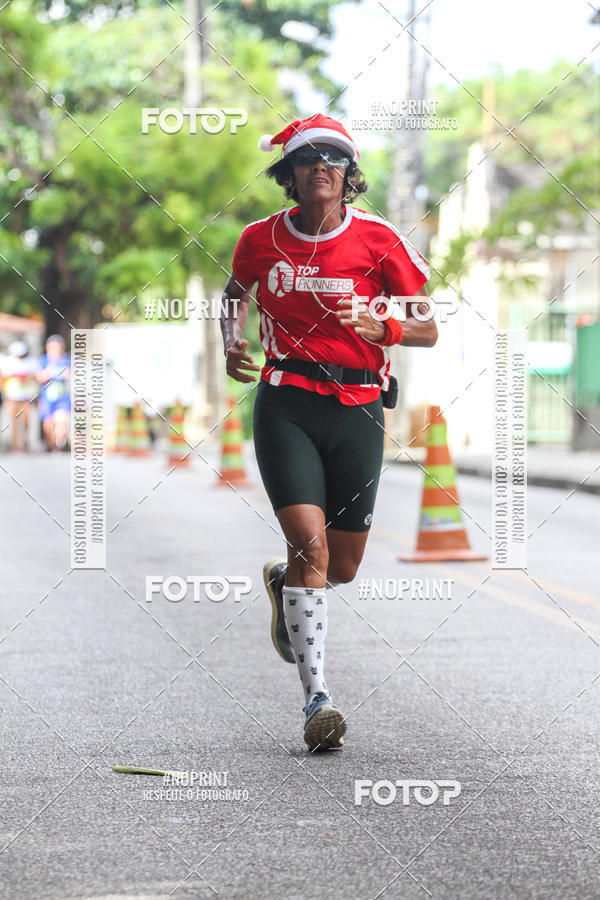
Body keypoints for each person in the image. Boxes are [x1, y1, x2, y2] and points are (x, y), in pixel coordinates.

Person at [220, 114, 437, 751]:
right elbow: (232, 295)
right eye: (309, 158)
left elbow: (428, 326)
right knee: (310, 546)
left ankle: (283, 586)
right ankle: (318, 699)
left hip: (361, 407)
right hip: (286, 400)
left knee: (339, 566)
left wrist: (384, 328)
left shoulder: (378, 239)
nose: (323, 167)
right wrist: (230, 341)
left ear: (349, 175)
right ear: (287, 174)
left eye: (335, 159)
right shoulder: (259, 239)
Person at [0, 340, 39, 452]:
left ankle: (26, 440)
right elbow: (2, 379)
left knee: (26, 421)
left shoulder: (31, 362)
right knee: (13, 423)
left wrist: (27, 377)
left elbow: (36, 376)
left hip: (26, 397)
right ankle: (15, 446)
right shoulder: (6, 362)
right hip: (11, 397)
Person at [37, 335, 71, 451]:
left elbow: (72, 375)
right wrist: (49, 373)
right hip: (47, 398)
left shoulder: (66, 360)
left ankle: (60, 440)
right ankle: (53, 446)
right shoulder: (44, 360)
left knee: (61, 421)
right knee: (48, 424)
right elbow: (38, 377)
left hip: (62, 398)